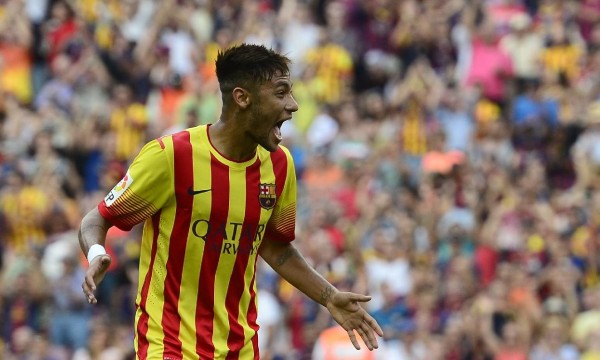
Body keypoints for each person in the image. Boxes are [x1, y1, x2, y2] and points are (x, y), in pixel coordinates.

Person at [78, 43, 383, 360]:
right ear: (242, 98)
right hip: (169, 346)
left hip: (240, 348)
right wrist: (97, 252)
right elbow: (97, 219)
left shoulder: (279, 166)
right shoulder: (172, 157)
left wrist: (329, 296)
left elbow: (275, 247)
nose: (292, 106)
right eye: (280, 93)